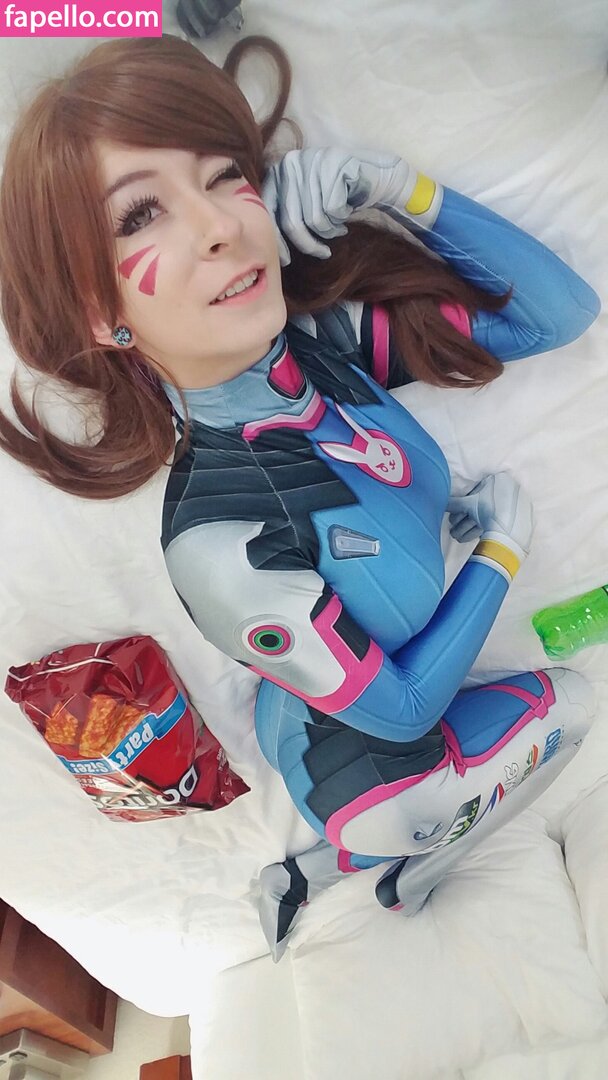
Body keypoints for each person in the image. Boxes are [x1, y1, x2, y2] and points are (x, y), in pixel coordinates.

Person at [0, 35, 600, 962]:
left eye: (224, 175)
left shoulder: (325, 354)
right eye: (141, 214)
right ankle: (403, 873)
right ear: (96, 313)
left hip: (324, 713)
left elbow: (555, 314)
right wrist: (499, 555)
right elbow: (403, 711)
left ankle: (328, 870)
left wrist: (400, 188)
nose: (217, 224)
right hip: (381, 781)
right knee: (578, 703)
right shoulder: (218, 538)